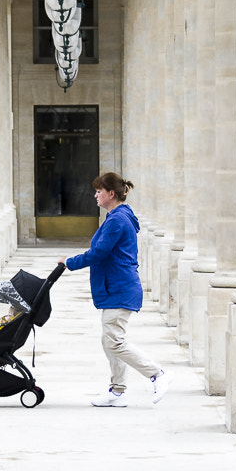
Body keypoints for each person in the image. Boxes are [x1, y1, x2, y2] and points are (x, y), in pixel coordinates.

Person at [58, 174, 168, 408]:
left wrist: (70, 262)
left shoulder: (117, 220)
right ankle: (118, 392)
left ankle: (157, 374)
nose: (95, 195)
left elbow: (99, 252)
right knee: (110, 340)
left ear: (111, 194)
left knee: (114, 341)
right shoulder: (116, 217)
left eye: (99, 191)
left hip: (120, 287)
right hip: (116, 286)